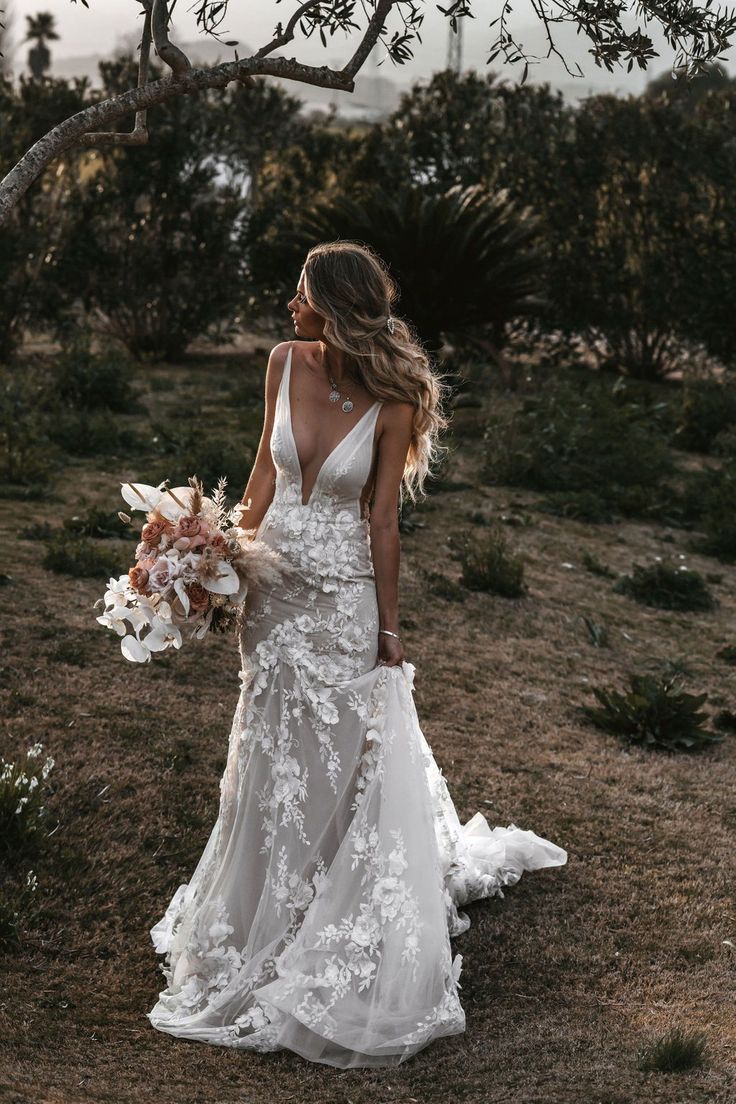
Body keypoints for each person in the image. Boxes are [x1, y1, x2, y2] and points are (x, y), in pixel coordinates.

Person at [146, 241, 567, 1068]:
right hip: (271, 594)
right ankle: (266, 901)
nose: (289, 302)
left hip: (341, 597)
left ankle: (341, 904)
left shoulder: (395, 398)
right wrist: (215, 557)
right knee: (268, 745)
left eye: (301, 292)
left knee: (347, 746)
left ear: (334, 303)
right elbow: (263, 471)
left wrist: (390, 628)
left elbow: (382, 520)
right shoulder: (282, 361)